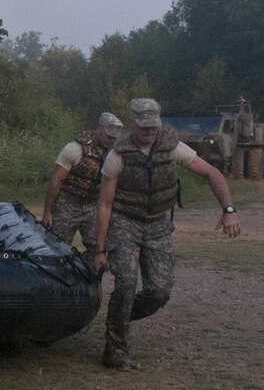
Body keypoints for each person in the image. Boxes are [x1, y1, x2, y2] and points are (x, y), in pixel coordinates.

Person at [94, 98, 241, 371]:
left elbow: (211, 173)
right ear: (134, 123)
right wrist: (99, 250)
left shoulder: (172, 147)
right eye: (144, 126)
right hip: (125, 222)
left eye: (154, 125)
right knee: (125, 283)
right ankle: (115, 348)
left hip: (158, 225)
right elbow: (104, 204)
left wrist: (229, 209)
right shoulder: (117, 155)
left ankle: (119, 318)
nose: (150, 131)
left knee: (159, 292)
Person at [40, 112, 123, 264]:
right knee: (56, 246)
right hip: (67, 202)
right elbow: (56, 181)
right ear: (99, 129)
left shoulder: (115, 154)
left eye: (114, 138)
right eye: (108, 136)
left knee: (99, 248)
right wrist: (47, 212)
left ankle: (86, 278)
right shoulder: (74, 149)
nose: (111, 140)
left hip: (93, 205)